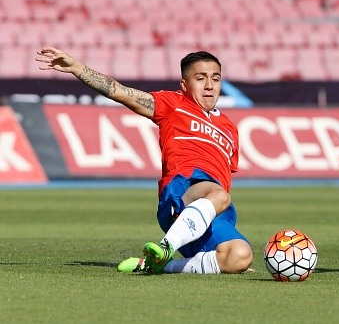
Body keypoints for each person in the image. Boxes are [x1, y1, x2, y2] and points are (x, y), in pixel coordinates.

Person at [35, 47, 253, 275]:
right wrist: (77, 68)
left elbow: (224, 177)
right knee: (218, 194)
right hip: (183, 190)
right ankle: (166, 246)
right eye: (200, 78)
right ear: (184, 84)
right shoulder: (173, 104)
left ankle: (155, 265)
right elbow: (118, 91)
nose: (209, 85)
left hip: (210, 211)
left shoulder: (229, 129)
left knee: (239, 257)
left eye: (215, 78)